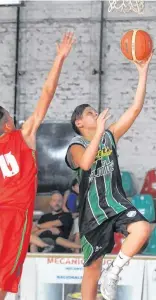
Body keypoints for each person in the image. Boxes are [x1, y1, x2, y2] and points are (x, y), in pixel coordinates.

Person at [65, 53, 153, 300]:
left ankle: (113, 273)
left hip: (115, 202)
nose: (96, 114)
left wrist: (143, 72)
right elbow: (84, 163)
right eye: (91, 113)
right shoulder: (76, 143)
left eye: (96, 112)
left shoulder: (108, 136)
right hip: (92, 213)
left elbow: (135, 109)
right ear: (79, 122)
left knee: (143, 228)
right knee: (92, 269)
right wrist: (100, 132)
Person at [0, 32, 75, 299]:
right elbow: (46, 94)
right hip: (13, 216)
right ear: (8, 123)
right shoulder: (22, 135)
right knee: (3, 278)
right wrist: (59, 58)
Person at [63, 179, 80, 253]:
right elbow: (64, 207)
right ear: (73, 187)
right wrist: (71, 214)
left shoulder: (85, 195)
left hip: (79, 218)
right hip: (69, 217)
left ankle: (72, 248)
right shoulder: (71, 195)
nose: (80, 187)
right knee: (77, 226)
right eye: (78, 186)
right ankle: (76, 250)